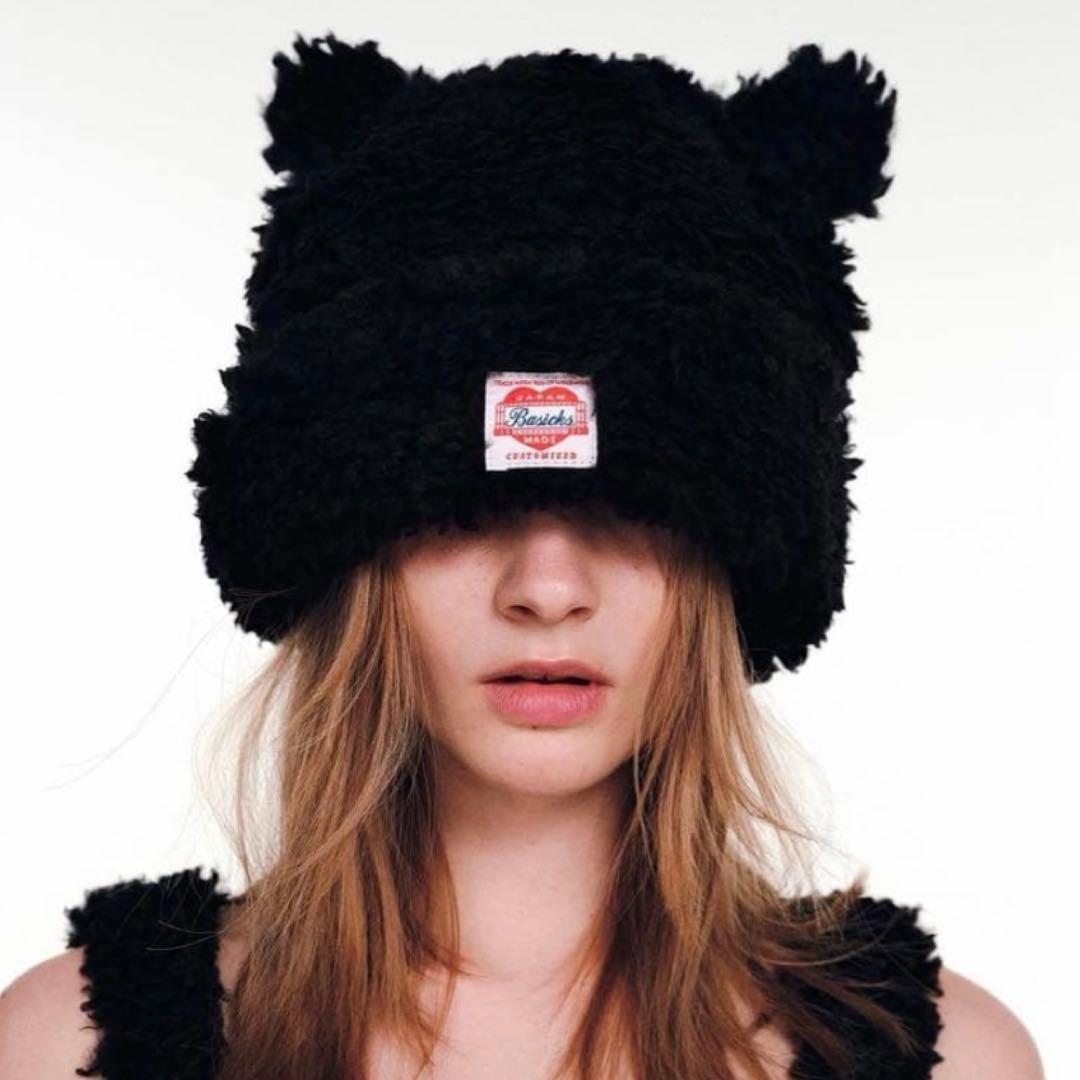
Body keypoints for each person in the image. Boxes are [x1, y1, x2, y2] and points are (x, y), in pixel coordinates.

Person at [0, 35, 1043, 1080]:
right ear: (349, 547)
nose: (547, 589)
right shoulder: (69, 1048)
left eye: (633, 507)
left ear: (732, 557)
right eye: (466, 508)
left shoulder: (948, 1059)